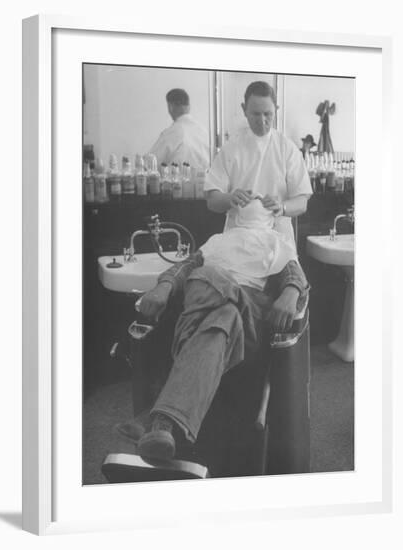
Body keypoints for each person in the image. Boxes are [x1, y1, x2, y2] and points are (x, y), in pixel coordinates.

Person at [118, 81, 312, 461]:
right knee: (221, 319)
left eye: (268, 114)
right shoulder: (222, 236)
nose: (262, 120)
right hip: (229, 305)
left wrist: (289, 289)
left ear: (276, 111)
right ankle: (164, 427)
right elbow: (207, 218)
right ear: (244, 110)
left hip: (255, 266)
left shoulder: (275, 233)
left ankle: (156, 417)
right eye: (255, 113)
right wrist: (163, 285)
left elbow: (294, 270)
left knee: (213, 288)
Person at [148, 88, 210, 171]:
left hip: (177, 182)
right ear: (189, 106)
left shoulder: (173, 132)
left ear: (170, 107)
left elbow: (150, 162)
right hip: (203, 182)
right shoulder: (203, 131)